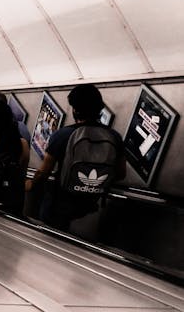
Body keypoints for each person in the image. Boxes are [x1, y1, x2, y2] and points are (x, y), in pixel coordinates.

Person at [27, 84, 125, 230]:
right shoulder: (114, 137)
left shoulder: (62, 135)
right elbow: (121, 174)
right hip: (91, 207)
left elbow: (43, 172)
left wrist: (30, 185)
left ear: (75, 110)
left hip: (58, 207)